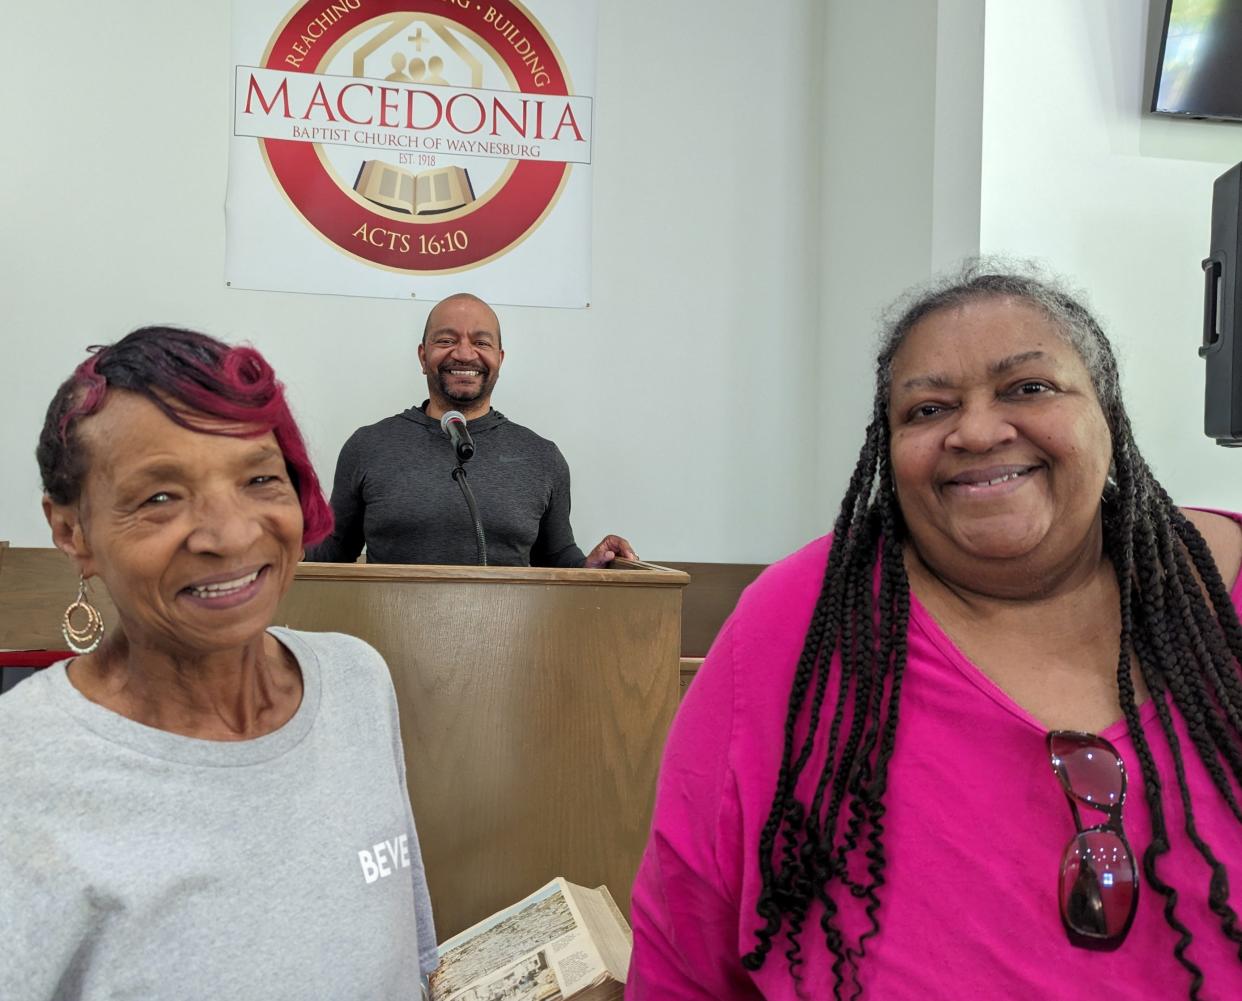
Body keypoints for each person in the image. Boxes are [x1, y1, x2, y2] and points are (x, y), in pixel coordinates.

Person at [627, 263, 1242, 1000]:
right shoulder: (789, 626)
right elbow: (682, 947)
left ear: (1106, 412)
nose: (977, 430)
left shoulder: (1219, 592)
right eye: (927, 409)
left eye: (1028, 387)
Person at [0, 327, 438, 1000]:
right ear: (71, 531)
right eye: (160, 497)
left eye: (261, 478)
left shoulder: (358, 681)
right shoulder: (21, 766)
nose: (231, 534)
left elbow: (406, 965)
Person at [308, 292, 635, 568]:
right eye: (446, 340)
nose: (464, 353)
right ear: (423, 357)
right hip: (389, 640)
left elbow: (556, 559)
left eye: (481, 342)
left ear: (499, 359)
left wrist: (591, 568)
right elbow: (334, 553)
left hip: (508, 639)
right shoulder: (368, 446)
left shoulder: (542, 457)